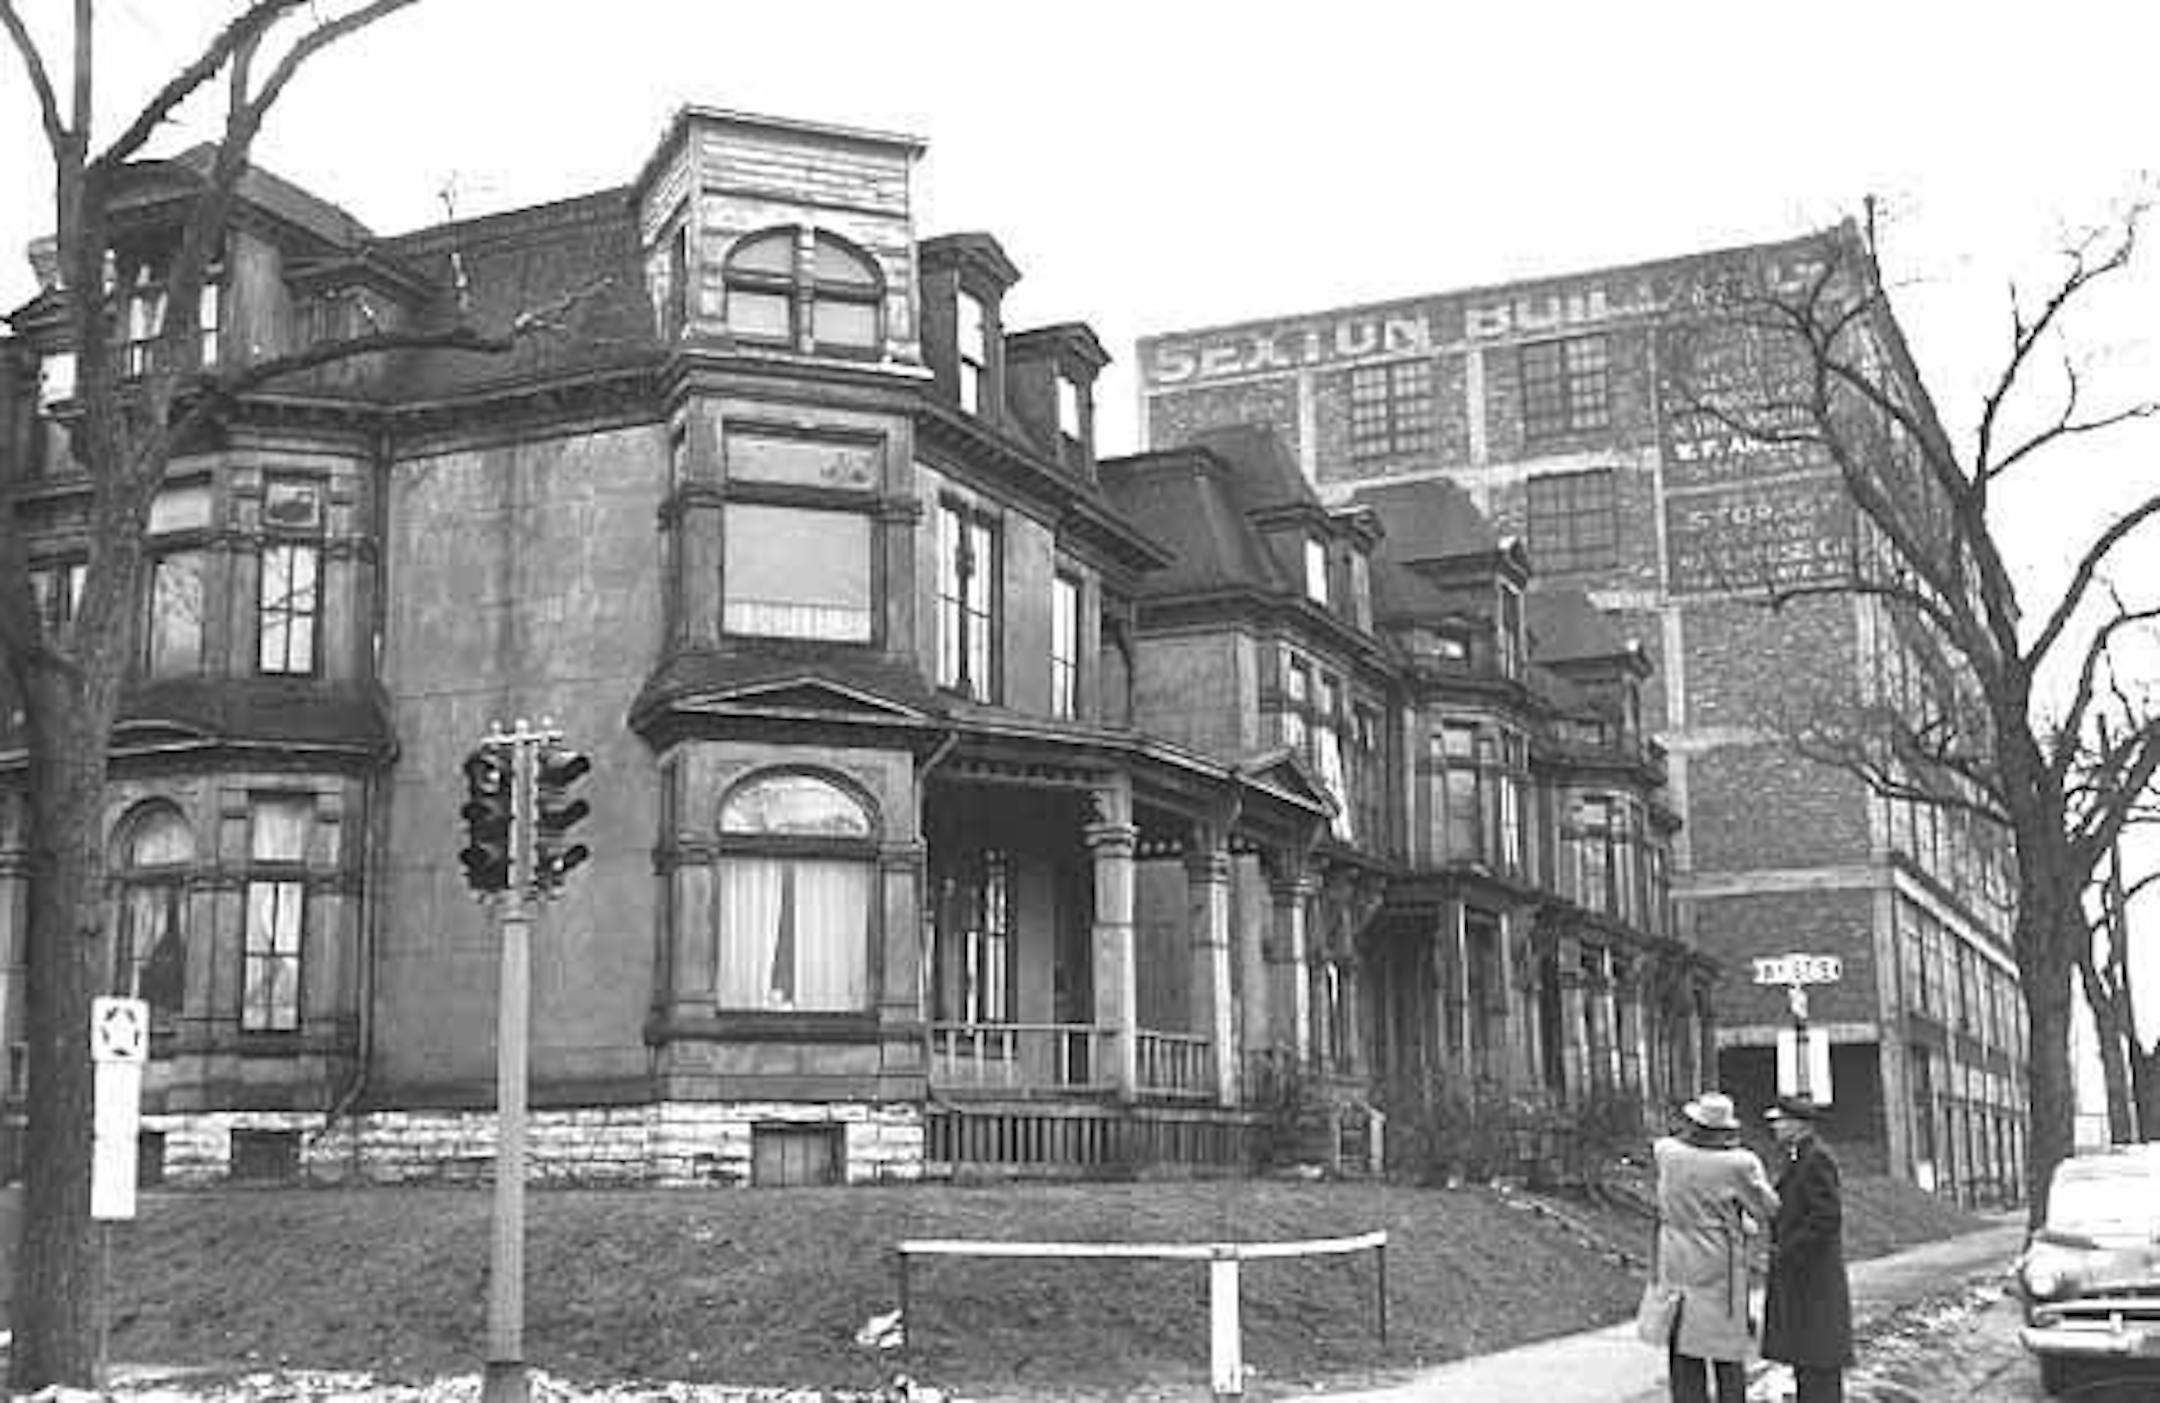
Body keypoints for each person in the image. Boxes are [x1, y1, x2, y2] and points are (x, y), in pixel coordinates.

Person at [1649, 1091, 1780, 1403]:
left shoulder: (1666, 1152)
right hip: (1717, 1257)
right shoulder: (1739, 1164)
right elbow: (1767, 1207)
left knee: (1682, 1344)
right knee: (1726, 1348)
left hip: (1675, 1252)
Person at [1761, 1094, 1854, 1403]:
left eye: (1780, 1121)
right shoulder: (1800, 1156)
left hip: (1815, 1274)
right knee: (1808, 1355)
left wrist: (1789, 1249)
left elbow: (1826, 1215)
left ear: (1799, 1125)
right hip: (1805, 1274)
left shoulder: (1816, 1159)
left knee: (1819, 1358)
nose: (1775, 1127)